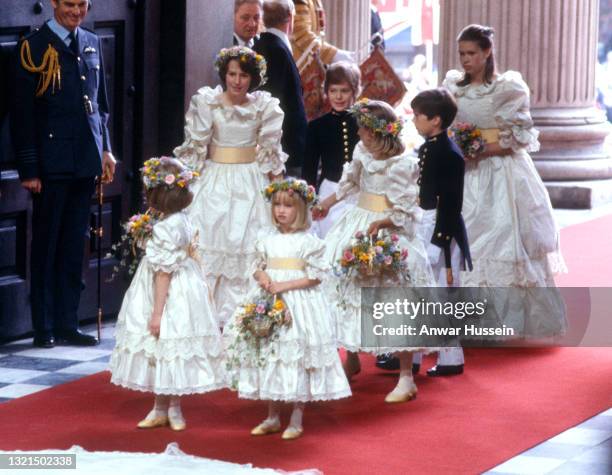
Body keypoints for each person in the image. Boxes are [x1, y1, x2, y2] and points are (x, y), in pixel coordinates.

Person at [443, 24, 566, 338]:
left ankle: (506, 322)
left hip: (501, 170)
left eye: (472, 53)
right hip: (467, 172)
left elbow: (518, 137)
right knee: (465, 236)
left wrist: (481, 149)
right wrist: (460, 148)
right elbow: (449, 127)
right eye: (462, 54)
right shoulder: (454, 87)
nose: (466, 60)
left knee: (501, 232)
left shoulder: (507, 88)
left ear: (487, 53)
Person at [10, 0, 116, 348]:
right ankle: (43, 327)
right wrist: (29, 168)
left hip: (84, 160)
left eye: (82, 5)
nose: (76, 12)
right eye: (69, 4)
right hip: (50, 164)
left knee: (74, 246)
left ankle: (68, 321)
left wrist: (105, 150)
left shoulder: (90, 41)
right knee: (46, 246)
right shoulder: (34, 47)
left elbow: (99, 106)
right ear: (54, 3)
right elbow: (22, 115)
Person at [314, 99, 435, 403]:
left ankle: (406, 376)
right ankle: (351, 356)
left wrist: (385, 221)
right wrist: (326, 204)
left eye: (367, 131)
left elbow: (407, 207)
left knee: (395, 295)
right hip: (359, 220)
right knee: (346, 286)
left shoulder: (401, 163)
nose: (362, 136)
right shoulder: (360, 152)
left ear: (383, 133)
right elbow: (349, 182)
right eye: (360, 130)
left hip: (387, 227)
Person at [226, 178, 350, 440]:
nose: (281, 210)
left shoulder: (310, 242)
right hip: (269, 298)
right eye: (277, 205)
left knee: (296, 355)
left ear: (301, 210)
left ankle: (296, 416)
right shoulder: (266, 238)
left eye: (288, 206)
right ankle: (272, 415)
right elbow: (257, 265)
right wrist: (263, 278)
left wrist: (285, 284)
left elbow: (316, 276)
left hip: (299, 302)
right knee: (272, 354)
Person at [173, 46, 286, 327]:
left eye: (243, 75)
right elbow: (195, 149)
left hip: (250, 180)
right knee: (211, 240)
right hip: (215, 180)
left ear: (253, 78)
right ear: (224, 74)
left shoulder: (263, 107)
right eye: (232, 74)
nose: (237, 81)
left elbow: (270, 154)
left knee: (246, 243)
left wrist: (280, 192)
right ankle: (205, 320)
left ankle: (245, 320)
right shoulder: (208, 102)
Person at [110, 157, 225, 431]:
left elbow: (163, 273)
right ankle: (163, 407)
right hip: (186, 282)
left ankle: (170, 408)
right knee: (166, 350)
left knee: (167, 343)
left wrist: (157, 312)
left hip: (169, 291)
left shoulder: (164, 228)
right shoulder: (181, 219)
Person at [302, 61, 360, 237]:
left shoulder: (364, 123)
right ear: (326, 92)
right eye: (333, 91)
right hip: (329, 190)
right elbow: (309, 169)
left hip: (358, 192)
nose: (339, 97)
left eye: (344, 91)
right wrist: (308, 201)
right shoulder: (316, 126)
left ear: (355, 91)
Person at [254, 0, 307, 176]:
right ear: (290, 17)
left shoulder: (266, 44)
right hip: (284, 149)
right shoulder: (276, 49)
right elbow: (274, 101)